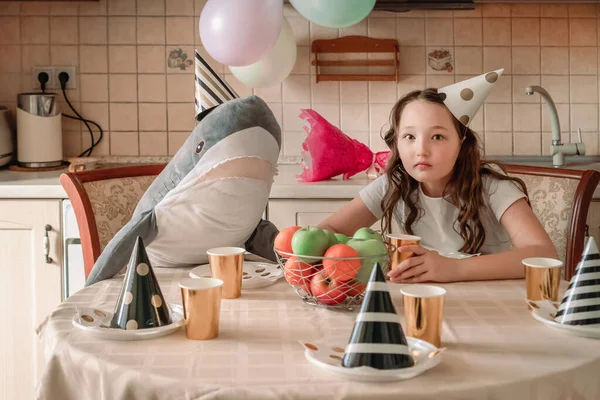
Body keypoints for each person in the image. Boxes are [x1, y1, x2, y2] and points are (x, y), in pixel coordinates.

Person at [318, 81, 557, 284]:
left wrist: (454, 268)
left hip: (486, 302)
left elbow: (544, 254)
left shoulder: (492, 188)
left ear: (461, 143)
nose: (421, 150)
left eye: (437, 137)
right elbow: (328, 232)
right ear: (397, 143)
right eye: (409, 136)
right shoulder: (393, 185)